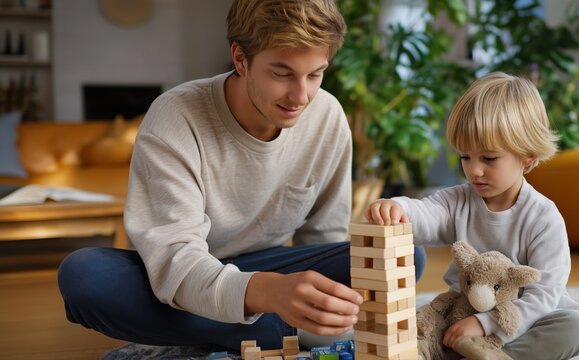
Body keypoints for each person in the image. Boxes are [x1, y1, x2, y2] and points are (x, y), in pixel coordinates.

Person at [57, 0, 425, 352]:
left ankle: (247, 328)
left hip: (273, 267)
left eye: (315, 74)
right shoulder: (175, 118)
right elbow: (176, 261)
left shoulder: (326, 116)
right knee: (85, 277)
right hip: (190, 272)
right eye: (282, 74)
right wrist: (267, 294)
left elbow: (323, 240)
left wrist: (317, 297)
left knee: (407, 254)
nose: (301, 95)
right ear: (240, 58)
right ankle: (277, 328)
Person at [366, 72, 579, 360]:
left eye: (489, 158)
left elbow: (544, 296)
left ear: (528, 157)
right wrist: (398, 207)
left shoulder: (543, 218)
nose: (474, 170)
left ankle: (490, 355)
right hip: (462, 312)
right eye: (465, 157)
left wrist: (486, 325)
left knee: (573, 328)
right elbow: (428, 214)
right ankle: (448, 349)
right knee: (419, 325)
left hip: (519, 321)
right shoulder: (459, 200)